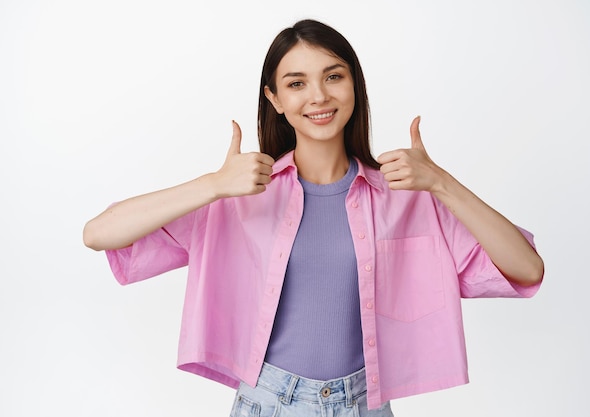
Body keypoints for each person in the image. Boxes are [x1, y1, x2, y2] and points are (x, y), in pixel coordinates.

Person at [83, 19, 544, 417]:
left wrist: (442, 182)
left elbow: (526, 268)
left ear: (354, 85)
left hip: (366, 404)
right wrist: (212, 185)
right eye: (297, 83)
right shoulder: (240, 194)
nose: (319, 96)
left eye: (333, 76)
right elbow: (99, 233)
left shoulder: (405, 197)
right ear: (276, 99)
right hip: (269, 402)